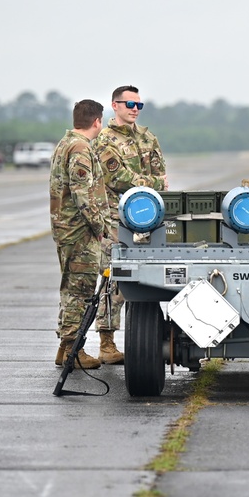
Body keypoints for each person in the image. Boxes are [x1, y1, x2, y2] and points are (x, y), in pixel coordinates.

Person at [92, 85, 168, 364]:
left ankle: (149, 335)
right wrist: (151, 182)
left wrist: (153, 183)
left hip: (150, 219)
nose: (134, 109)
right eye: (129, 104)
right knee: (114, 279)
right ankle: (107, 343)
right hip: (115, 219)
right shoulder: (104, 140)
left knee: (151, 276)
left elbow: (162, 175)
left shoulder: (148, 138)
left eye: (138, 105)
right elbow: (117, 178)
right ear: (115, 105)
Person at [49, 99, 111, 370]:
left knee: (70, 289)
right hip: (79, 231)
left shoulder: (65, 143)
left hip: (67, 228)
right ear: (97, 121)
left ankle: (65, 349)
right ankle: (76, 350)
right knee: (81, 291)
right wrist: (99, 226)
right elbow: (82, 192)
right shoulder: (80, 148)